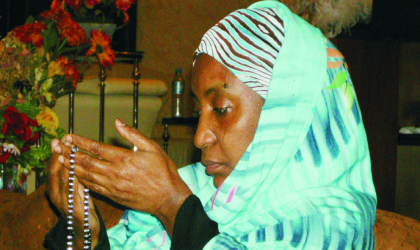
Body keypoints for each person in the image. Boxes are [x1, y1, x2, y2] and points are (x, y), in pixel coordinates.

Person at [44, 1, 377, 249]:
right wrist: (82, 230)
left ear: (284, 114)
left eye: (220, 108)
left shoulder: (334, 223)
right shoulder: (203, 194)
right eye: (198, 110)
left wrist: (171, 204)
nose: (200, 135)